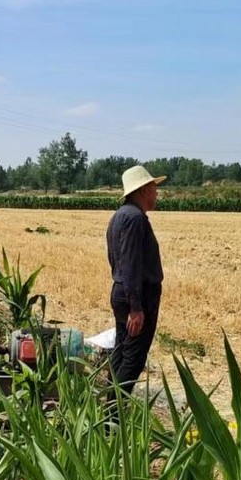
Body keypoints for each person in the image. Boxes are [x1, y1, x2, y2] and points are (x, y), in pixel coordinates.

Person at [106, 164, 166, 396]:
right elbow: (130, 264)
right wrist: (136, 307)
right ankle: (113, 415)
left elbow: (115, 260)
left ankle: (107, 409)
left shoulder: (119, 216)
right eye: (153, 188)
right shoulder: (135, 219)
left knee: (121, 352)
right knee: (132, 359)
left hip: (122, 291)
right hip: (137, 296)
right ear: (142, 190)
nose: (156, 193)